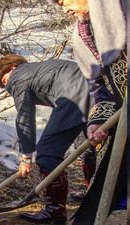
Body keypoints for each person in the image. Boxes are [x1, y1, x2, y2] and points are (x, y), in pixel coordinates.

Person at [0, 54, 94, 225]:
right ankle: (94, 191)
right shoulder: (39, 69)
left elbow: (24, 116)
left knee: (47, 153)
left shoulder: (18, 77)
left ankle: (55, 210)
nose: (6, 86)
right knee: (89, 146)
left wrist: (26, 157)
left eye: (3, 81)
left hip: (73, 95)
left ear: (11, 68)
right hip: (95, 90)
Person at [48, 0, 127, 224]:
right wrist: (97, 120)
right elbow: (100, 86)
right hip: (122, 122)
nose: (64, 9)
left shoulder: (125, 14)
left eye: (64, 1)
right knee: (100, 198)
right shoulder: (85, 33)